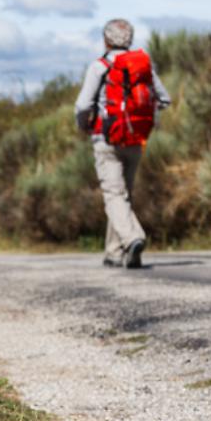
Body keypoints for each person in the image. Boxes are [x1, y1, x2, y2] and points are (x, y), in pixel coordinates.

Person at [74, 18, 170, 269]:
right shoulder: (143, 66)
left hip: (106, 139)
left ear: (106, 40)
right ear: (130, 39)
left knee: (114, 195)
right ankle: (113, 252)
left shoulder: (100, 66)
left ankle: (132, 238)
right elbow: (164, 98)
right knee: (123, 195)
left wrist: (84, 125)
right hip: (136, 138)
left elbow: (83, 105)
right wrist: (144, 116)